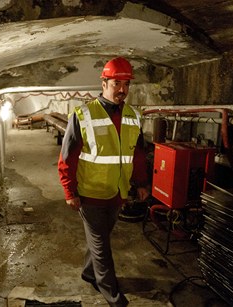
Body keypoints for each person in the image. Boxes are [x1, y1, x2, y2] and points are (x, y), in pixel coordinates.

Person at [57, 57, 150, 307]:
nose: (122, 90)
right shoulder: (83, 114)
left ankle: (89, 273)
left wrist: (141, 183)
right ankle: (113, 295)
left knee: (100, 240)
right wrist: (69, 191)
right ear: (104, 83)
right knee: (101, 247)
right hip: (90, 194)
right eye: (117, 83)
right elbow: (67, 156)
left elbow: (138, 153)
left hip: (117, 192)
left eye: (127, 84)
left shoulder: (132, 116)